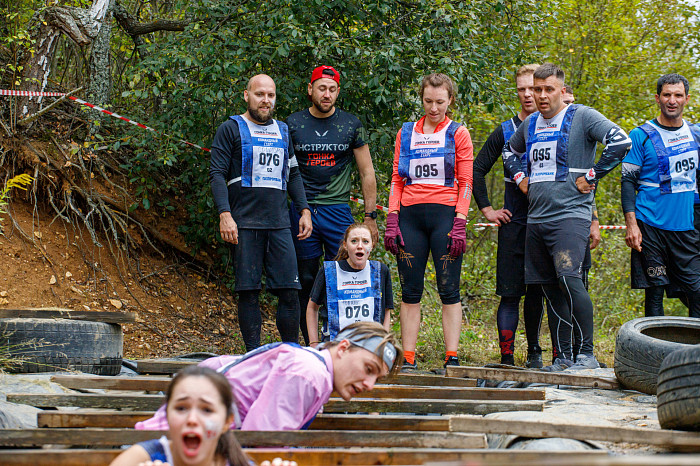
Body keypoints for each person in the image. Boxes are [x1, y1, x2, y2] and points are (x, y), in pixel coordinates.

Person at [503, 63, 631, 371]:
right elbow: (509, 152)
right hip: (537, 218)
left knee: (569, 280)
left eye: (548, 89)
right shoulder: (531, 122)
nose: (542, 96)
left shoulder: (583, 116)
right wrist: (521, 177)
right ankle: (562, 358)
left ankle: (586, 354)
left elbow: (621, 141)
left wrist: (593, 174)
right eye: (537, 89)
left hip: (570, 215)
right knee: (549, 287)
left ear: (562, 91)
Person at [136, 321, 403, 431]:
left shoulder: (310, 366)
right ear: (343, 348)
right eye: (369, 369)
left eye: (377, 378)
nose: (369, 385)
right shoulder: (309, 374)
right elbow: (264, 439)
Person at [209, 74, 312, 352]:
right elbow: (217, 174)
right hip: (244, 223)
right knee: (249, 292)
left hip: (279, 224)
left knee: (291, 292)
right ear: (246, 95)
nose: (265, 100)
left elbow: (293, 174)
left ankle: (290, 353)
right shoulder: (230, 128)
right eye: (259, 94)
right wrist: (224, 213)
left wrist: (303, 209)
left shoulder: (283, 130)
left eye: (271, 95)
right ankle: (253, 354)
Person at [384, 73, 474, 369]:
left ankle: (452, 357)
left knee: (449, 288)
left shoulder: (458, 133)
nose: (433, 108)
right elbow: (397, 178)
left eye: (439, 102)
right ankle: (407, 358)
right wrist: (392, 217)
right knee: (410, 290)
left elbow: (466, 181)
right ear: (421, 99)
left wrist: (460, 220)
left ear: (450, 100)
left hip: (445, 217)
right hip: (410, 217)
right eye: (428, 101)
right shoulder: (406, 132)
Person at [287, 66, 378, 346]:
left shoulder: (351, 124)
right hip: (303, 210)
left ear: (338, 92)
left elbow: (367, 173)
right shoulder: (293, 123)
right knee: (305, 275)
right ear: (310, 89)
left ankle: (341, 338)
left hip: (338, 210)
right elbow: (286, 172)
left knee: (344, 274)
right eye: (321, 88)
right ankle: (311, 342)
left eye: (332, 89)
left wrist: (370, 217)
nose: (326, 94)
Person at [472, 64, 546, 368]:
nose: (528, 94)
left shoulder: (554, 127)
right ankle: (506, 357)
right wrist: (487, 209)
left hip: (546, 222)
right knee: (510, 293)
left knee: (538, 293)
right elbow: (476, 170)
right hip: (513, 223)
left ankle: (536, 352)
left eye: (533, 88)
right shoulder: (504, 130)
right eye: (521, 89)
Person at [621, 73, 700, 318]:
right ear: (658, 98)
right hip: (650, 224)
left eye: (678, 95)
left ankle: (693, 354)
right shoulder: (640, 135)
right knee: (655, 291)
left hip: (686, 226)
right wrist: (631, 225)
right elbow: (627, 182)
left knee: (696, 291)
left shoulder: (696, 134)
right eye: (667, 95)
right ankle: (653, 354)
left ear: (687, 99)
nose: (672, 100)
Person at [112, 366, 252, 466]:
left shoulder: (238, 462)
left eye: (207, 410)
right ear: (166, 415)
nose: (192, 419)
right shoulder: (141, 458)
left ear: (227, 421)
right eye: (181, 408)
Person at [306, 223, 392, 345]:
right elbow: (312, 307)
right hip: (335, 343)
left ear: (372, 245)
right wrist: (314, 343)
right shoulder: (329, 271)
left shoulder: (380, 271)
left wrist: (384, 343)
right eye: (354, 241)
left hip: (370, 344)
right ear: (345, 245)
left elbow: (387, 310)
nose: (360, 246)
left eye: (365, 241)